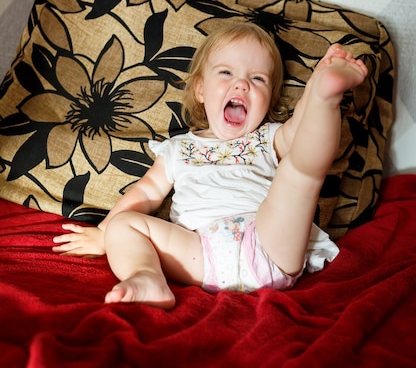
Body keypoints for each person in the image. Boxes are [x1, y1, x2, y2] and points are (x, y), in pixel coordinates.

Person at [53, 22, 368, 309]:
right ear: (200, 90)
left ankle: (326, 95)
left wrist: (314, 87)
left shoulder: (266, 138)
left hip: (269, 242)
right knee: (126, 224)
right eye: (226, 73)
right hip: (200, 253)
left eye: (257, 78)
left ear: (269, 98)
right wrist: (105, 232)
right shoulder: (178, 149)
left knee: (299, 174)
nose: (241, 85)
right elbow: (146, 193)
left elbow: (301, 130)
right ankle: (148, 277)